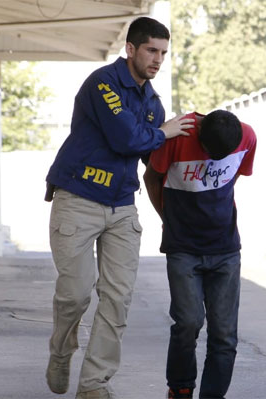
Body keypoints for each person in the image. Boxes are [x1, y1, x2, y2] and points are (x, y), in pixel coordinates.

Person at [43, 16, 194, 399]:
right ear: (131, 49)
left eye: (163, 52)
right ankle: (61, 352)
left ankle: (94, 385)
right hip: (78, 199)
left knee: (117, 298)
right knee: (76, 294)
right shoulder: (103, 83)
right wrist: (163, 133)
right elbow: (127, 138)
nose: (158, 59)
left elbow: (154, 162)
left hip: (123, 207)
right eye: (151, 50)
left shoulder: (153, 105)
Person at [143, 110, 257, 399]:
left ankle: (212, 395)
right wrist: (167, 218)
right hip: (183, 248)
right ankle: (180, 387)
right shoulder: (178, 135)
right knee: (188, 323)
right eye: (210, 154)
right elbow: (152, 178)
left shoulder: (247, 137)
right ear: (200, 136)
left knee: (224, 335)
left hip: (226, 249)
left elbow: (229, 181)